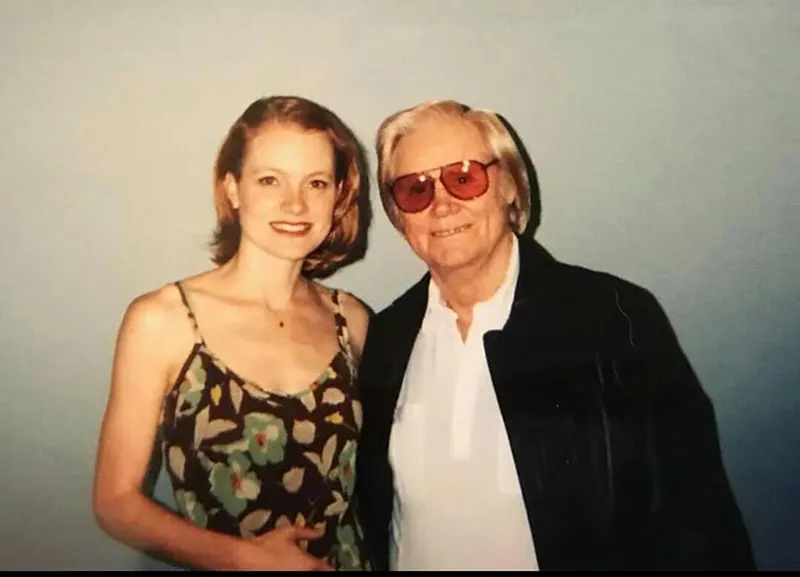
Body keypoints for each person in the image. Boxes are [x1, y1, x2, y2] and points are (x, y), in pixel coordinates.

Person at [353, 99, 755, 571]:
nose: (442, 204)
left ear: (509, 185)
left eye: (464, 178)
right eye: (415, 189)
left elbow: (697, 520)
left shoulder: (614, 320)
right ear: (399, 216)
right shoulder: (387, 338)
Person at [92, 95, 373, 571]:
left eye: (316, 183)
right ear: (233, 188)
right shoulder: (163, 321)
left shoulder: (352, 320)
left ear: (339, 195)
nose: (295, 203)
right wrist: (244, 559)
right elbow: (115, 502)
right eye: (270, 180)